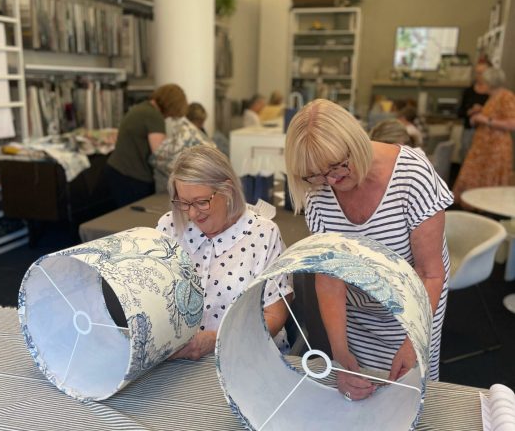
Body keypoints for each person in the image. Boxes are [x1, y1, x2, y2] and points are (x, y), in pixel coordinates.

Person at [285, 99, 453, 400]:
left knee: (409, 396)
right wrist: (340, 354)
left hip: (414, 306)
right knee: (358, 391)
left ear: (356, 143)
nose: (332, 181)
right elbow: (330, 279)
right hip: (357, 310)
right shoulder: (319, 191)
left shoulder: (413, 176)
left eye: (339, 166)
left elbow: (430, 274)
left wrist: (412, 343)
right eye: (318, 175)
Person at [157, 145, 293, 360]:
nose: (192, 213)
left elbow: (275, 315)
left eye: (201, 202)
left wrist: (215, 340)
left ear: (227, 190)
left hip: (247, 357)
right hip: (179, 362)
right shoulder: (170, 226)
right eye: (184, 203)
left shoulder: (263, 234)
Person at [106, 84, 188, 207]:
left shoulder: (141, 108)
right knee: (136, 221)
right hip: (131, 176)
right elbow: (160, 155)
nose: (169, 117)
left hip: (119, 171)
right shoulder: (154, 116)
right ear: (171, 105)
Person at [453, 67, 515, 204]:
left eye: (483, 82)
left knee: (488, 177)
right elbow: (497, 114)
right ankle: (475, 204)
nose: (481, 85)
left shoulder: (506, 96)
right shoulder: (493, 97)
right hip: (483, 147)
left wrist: (484, 119)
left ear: (490, 82)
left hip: (495, 148)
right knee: (474, 174)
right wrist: (481, 111)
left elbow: (512, 123)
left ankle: (486, 206)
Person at [457, 59, 491, 161]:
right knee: (466, 158)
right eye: (477, 72)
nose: (479, 75)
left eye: (482, 73)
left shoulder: (492, 92)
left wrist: (483, 110)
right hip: (469, 131)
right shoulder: (468, 91)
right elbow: (460, 112)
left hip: (486, 131)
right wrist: (470, 111)